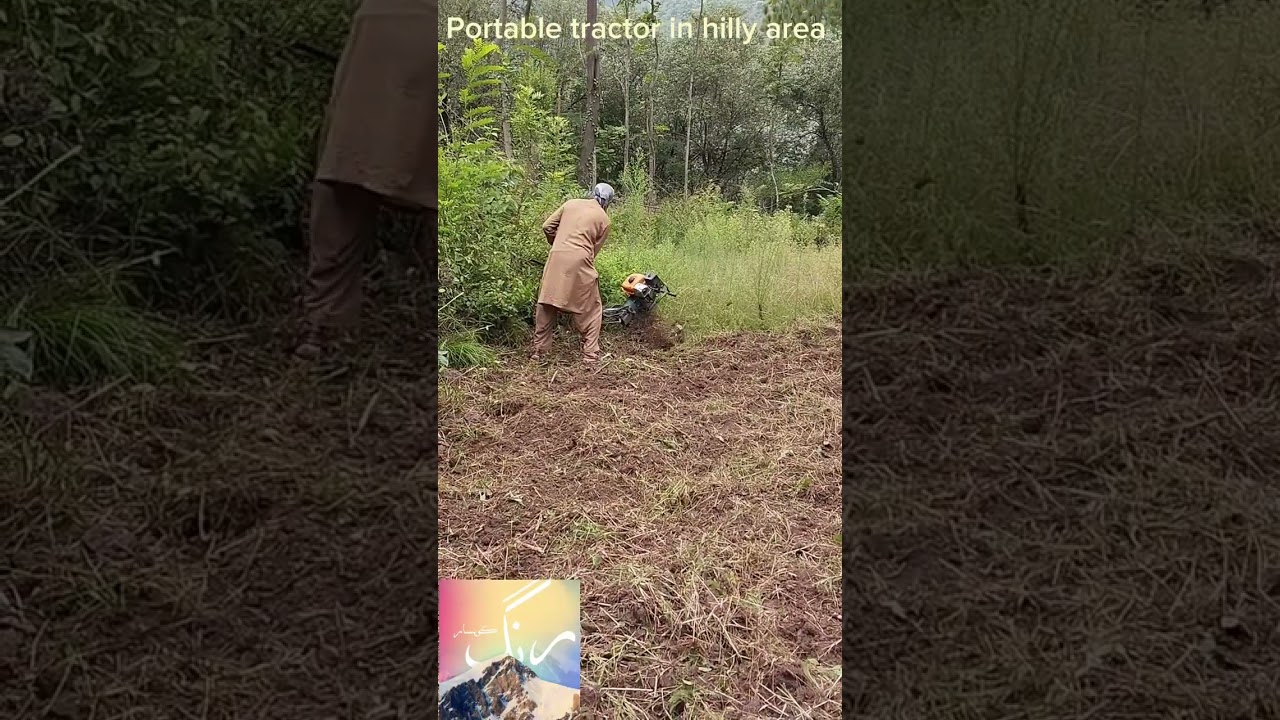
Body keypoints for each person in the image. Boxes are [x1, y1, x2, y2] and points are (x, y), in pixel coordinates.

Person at [295, 0, 438, 359]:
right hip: (413, 35)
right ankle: (453, 324)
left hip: (377, 31)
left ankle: (323, 328)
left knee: (345, 174)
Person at [531, 183, 616, 365]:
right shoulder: (604, 219)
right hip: (580, 260)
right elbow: (593, 251)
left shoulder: (570, 204)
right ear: (608, 202)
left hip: (556, 257)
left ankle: (540, 352)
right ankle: (590, 354)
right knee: (592, 307)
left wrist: (559, 243)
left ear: (592, 193)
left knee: (546, 302)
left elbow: (547, 226)